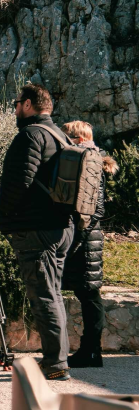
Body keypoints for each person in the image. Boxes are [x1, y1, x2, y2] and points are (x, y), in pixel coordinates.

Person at [0, 84, 76, 380]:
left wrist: (4, 220)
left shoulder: (30, 135)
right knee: (53, 294)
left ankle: (55, 364)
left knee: (43, 296)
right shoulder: (61, 136)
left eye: (17, 103)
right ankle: (57, 359)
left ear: (28, 104)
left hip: (36, 230)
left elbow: (18, 184)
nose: (15, 108)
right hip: (62, 228)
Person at [62, 120, 118, 369]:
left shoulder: (91, 162)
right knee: (87, 295)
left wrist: (77, 238)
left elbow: (97, 209)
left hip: (86, 240)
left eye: (68, 138)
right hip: (85, 237)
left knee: (89, 295)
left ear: (81, 140)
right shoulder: (86, 159)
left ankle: (92, 352)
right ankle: (90, 351)